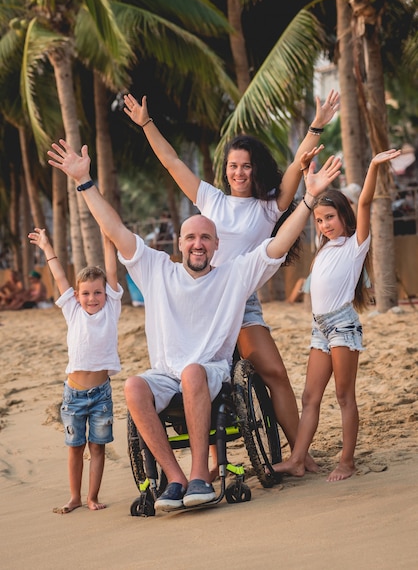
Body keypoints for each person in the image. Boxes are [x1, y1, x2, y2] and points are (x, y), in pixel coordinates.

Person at [47, 138, 341, 511]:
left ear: (217, 245)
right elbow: (115, 227)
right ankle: (176, 478)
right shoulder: (156, 269)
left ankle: (201, 474)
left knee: (192, 372)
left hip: (208, 371)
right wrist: (84, 182)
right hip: (167, 374)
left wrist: (309, 200)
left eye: (205, 237)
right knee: (135, 386)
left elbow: (279, 244)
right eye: (190, 237)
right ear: (179, 243)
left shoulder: (233, 275)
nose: (197, 244)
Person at [123, 90, 340, 475]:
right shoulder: (212, 200)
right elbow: (172, 163)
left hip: (240, 301)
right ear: (225, 169)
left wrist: (317, 123)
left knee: (274, 372)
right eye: (233, 165)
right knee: (196, 376)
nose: (238, 172)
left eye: (246, 166)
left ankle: (299, 455)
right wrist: (146, 124)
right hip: (197, 305)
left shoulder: (269, 206)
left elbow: (296, 166)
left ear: (256, 170)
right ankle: (201, 467)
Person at [271, 149, 401, 482]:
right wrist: (305, 174)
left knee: (344, 396)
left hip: (343, 326)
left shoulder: (355, 244)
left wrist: (371, 165)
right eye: (320, 220)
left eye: (330, 218)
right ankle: (298, 459)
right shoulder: (325, 248)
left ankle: (347, 461)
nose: (325, 225)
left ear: (343, 216)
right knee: (310, 396)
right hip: (320, 330)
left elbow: (366, 203)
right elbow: (309, 200)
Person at [28, 227, 123, 513]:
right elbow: (59, 276)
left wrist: (108, 240)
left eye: (97, 292)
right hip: (73, 396)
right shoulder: (72, 310)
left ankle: (92, 497)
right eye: (86, 293)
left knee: (98, 448)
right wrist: (47, 247)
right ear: (77, 295)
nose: (92, 298)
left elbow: (112, 271)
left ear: (106, 293)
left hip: (101, 395)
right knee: (75, 447)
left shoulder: (112, 309)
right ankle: (74, 497)